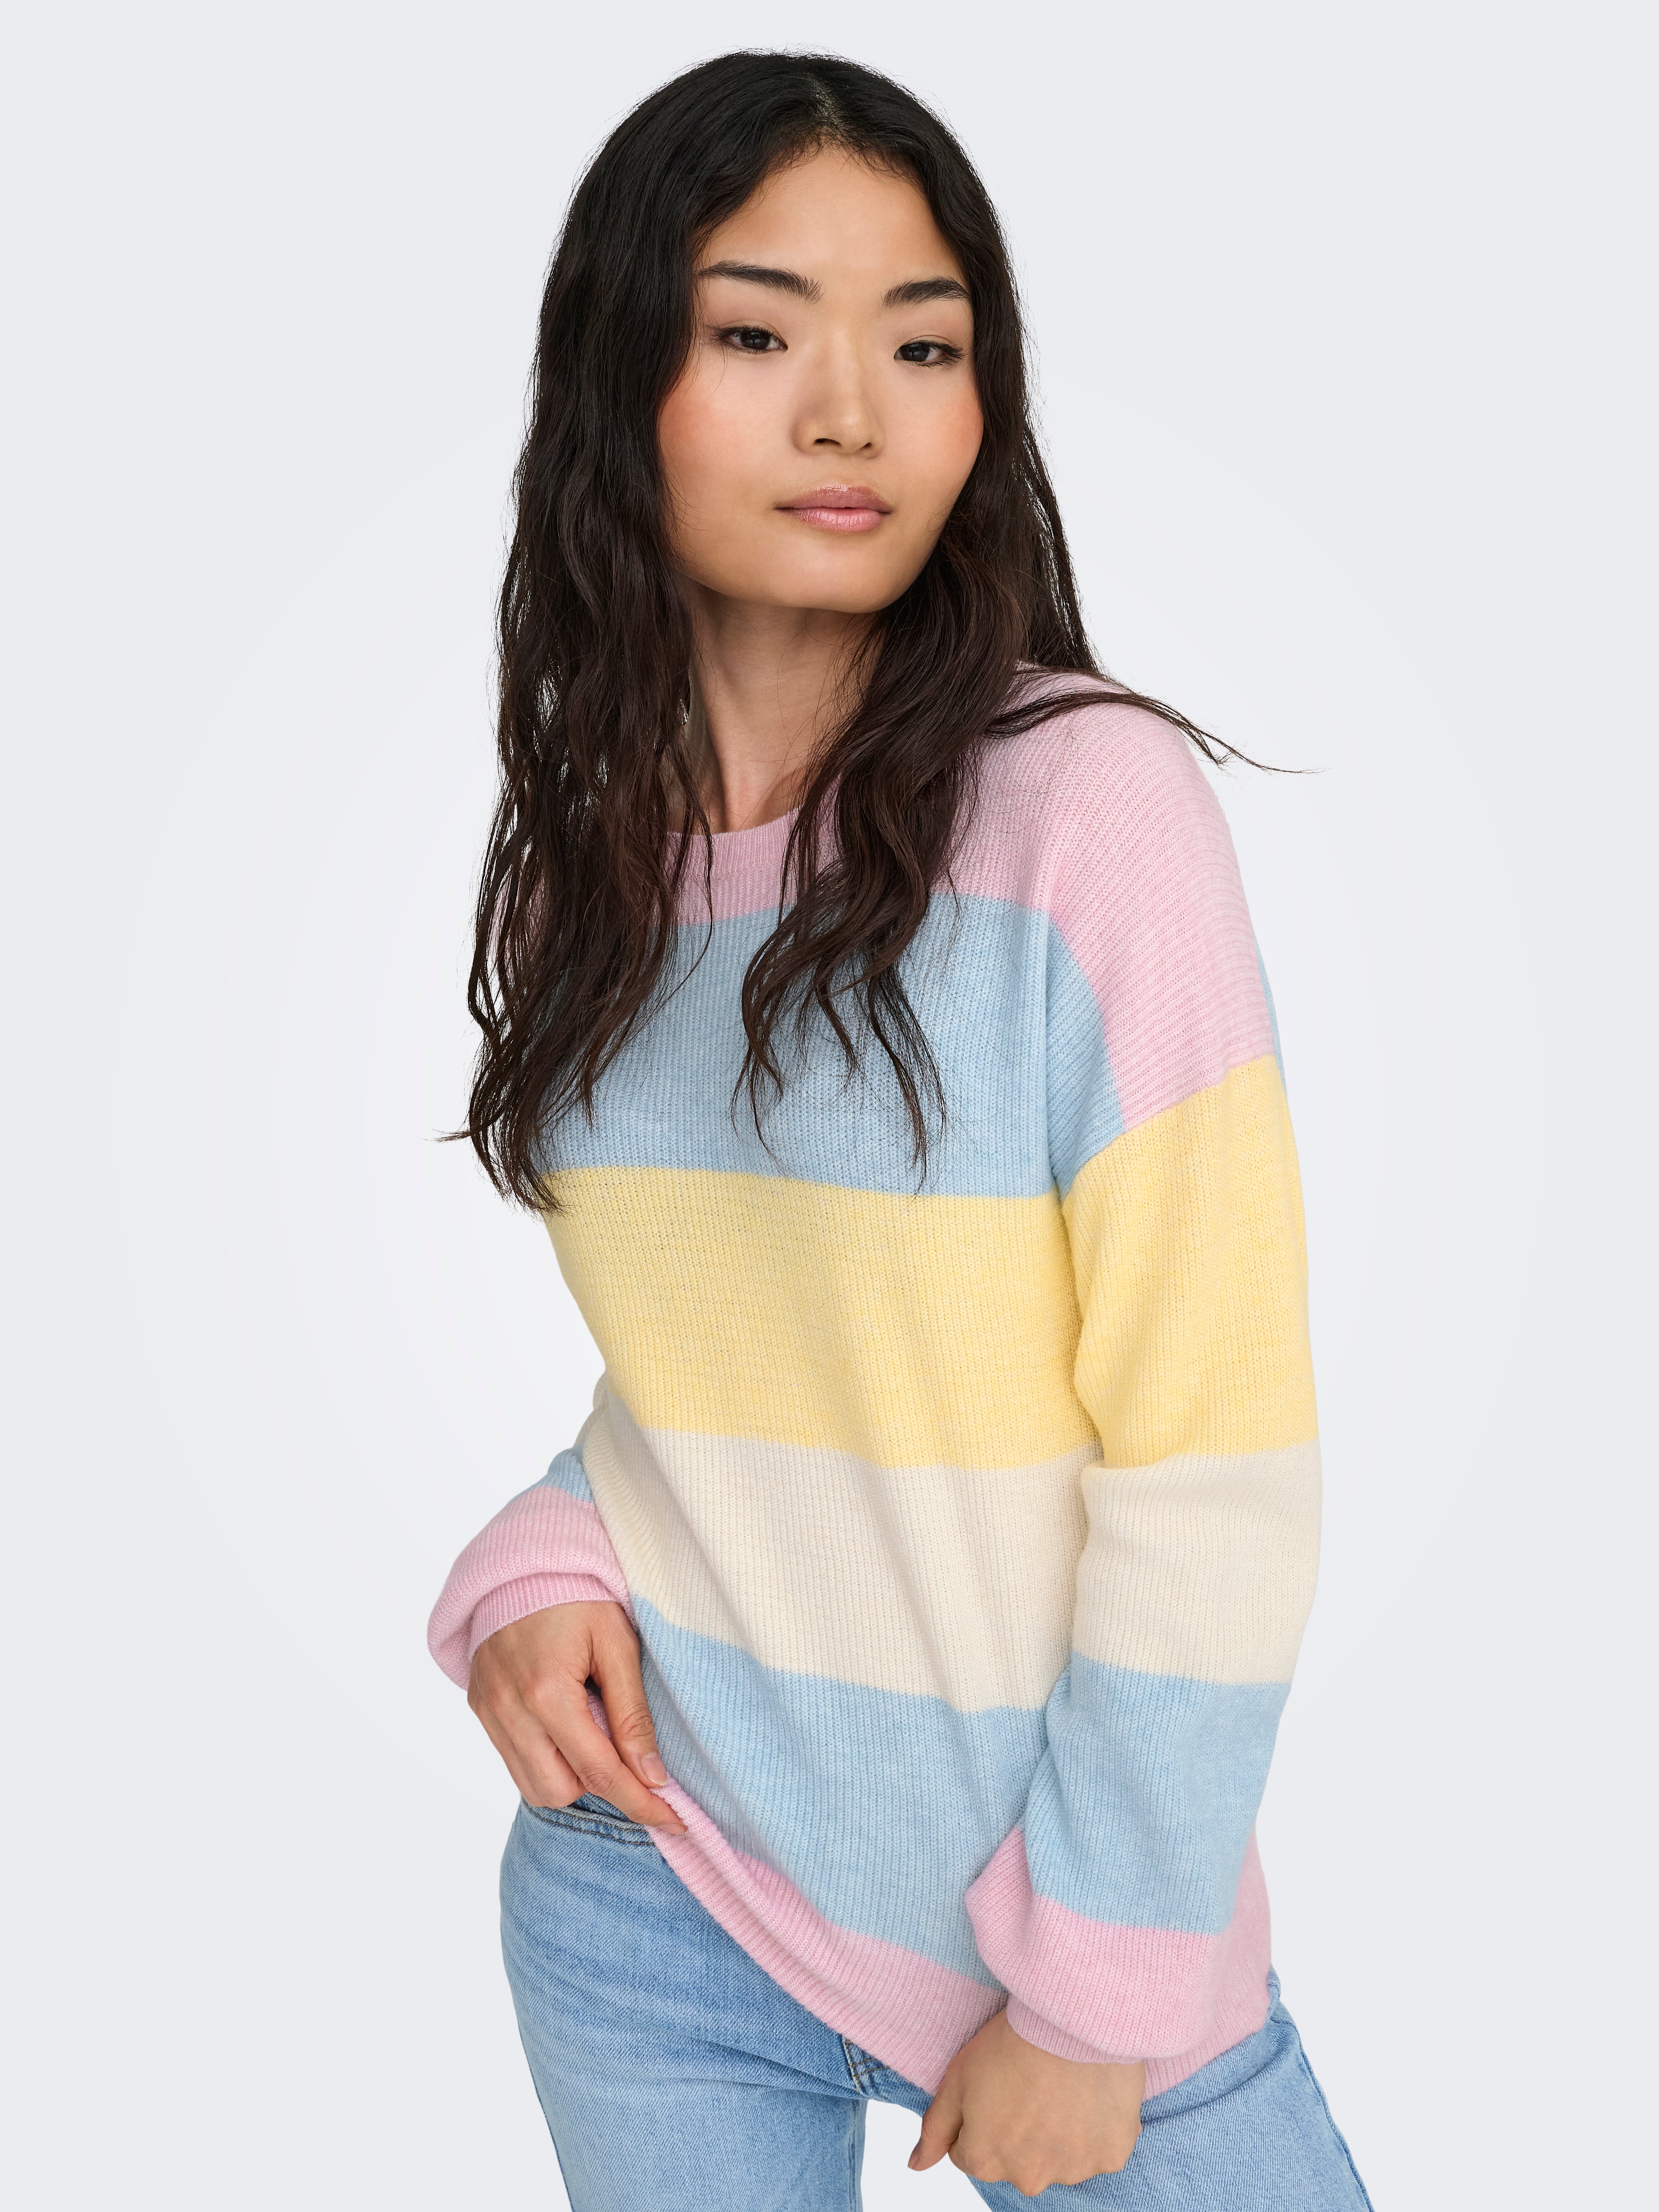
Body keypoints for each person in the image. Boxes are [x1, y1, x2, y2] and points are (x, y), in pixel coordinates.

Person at [428, 49, 1371, 2212]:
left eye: (923, 346)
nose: (852, 412)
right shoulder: (596, 855)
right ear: (620, 383)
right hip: (656, 1894)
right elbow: (729, 1378)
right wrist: (541, 1566)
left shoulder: (1087, 810)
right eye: (759, 335)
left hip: (1076, 1951)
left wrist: (1095, 2000)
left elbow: (1215, 1466)